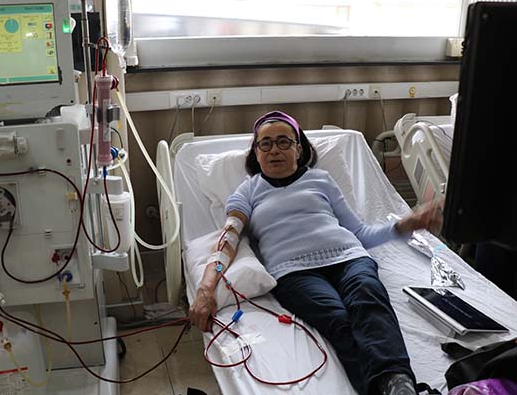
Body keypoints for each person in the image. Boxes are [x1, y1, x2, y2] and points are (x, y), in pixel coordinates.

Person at [189, 111, 444, 395]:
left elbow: (360, 233)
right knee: (337, 319)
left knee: (369, 303)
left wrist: (404, 225)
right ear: (256, 153)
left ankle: (399, 383)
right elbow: (227, 240)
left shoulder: (321, 180)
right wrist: (206, 288)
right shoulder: (247, 191)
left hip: (350, 258)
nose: (274, 150)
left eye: (284, 141)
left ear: (298, 149)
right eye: (265, 143)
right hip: (293, 272)